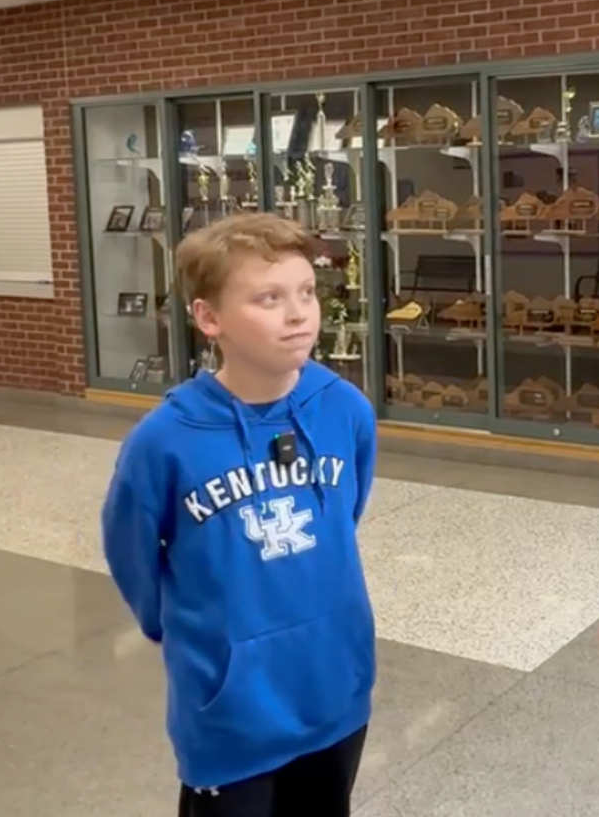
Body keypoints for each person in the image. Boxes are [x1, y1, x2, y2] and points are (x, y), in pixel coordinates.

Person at [102, 212, 377, 817]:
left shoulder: (346, 411)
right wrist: (193, 638)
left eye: (307, 292)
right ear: (210, 318)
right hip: (232, 712)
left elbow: (343, 516)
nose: (299, 314)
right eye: (268, 298)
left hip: (334, 689)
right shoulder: (163, 442)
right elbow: (131, 554)